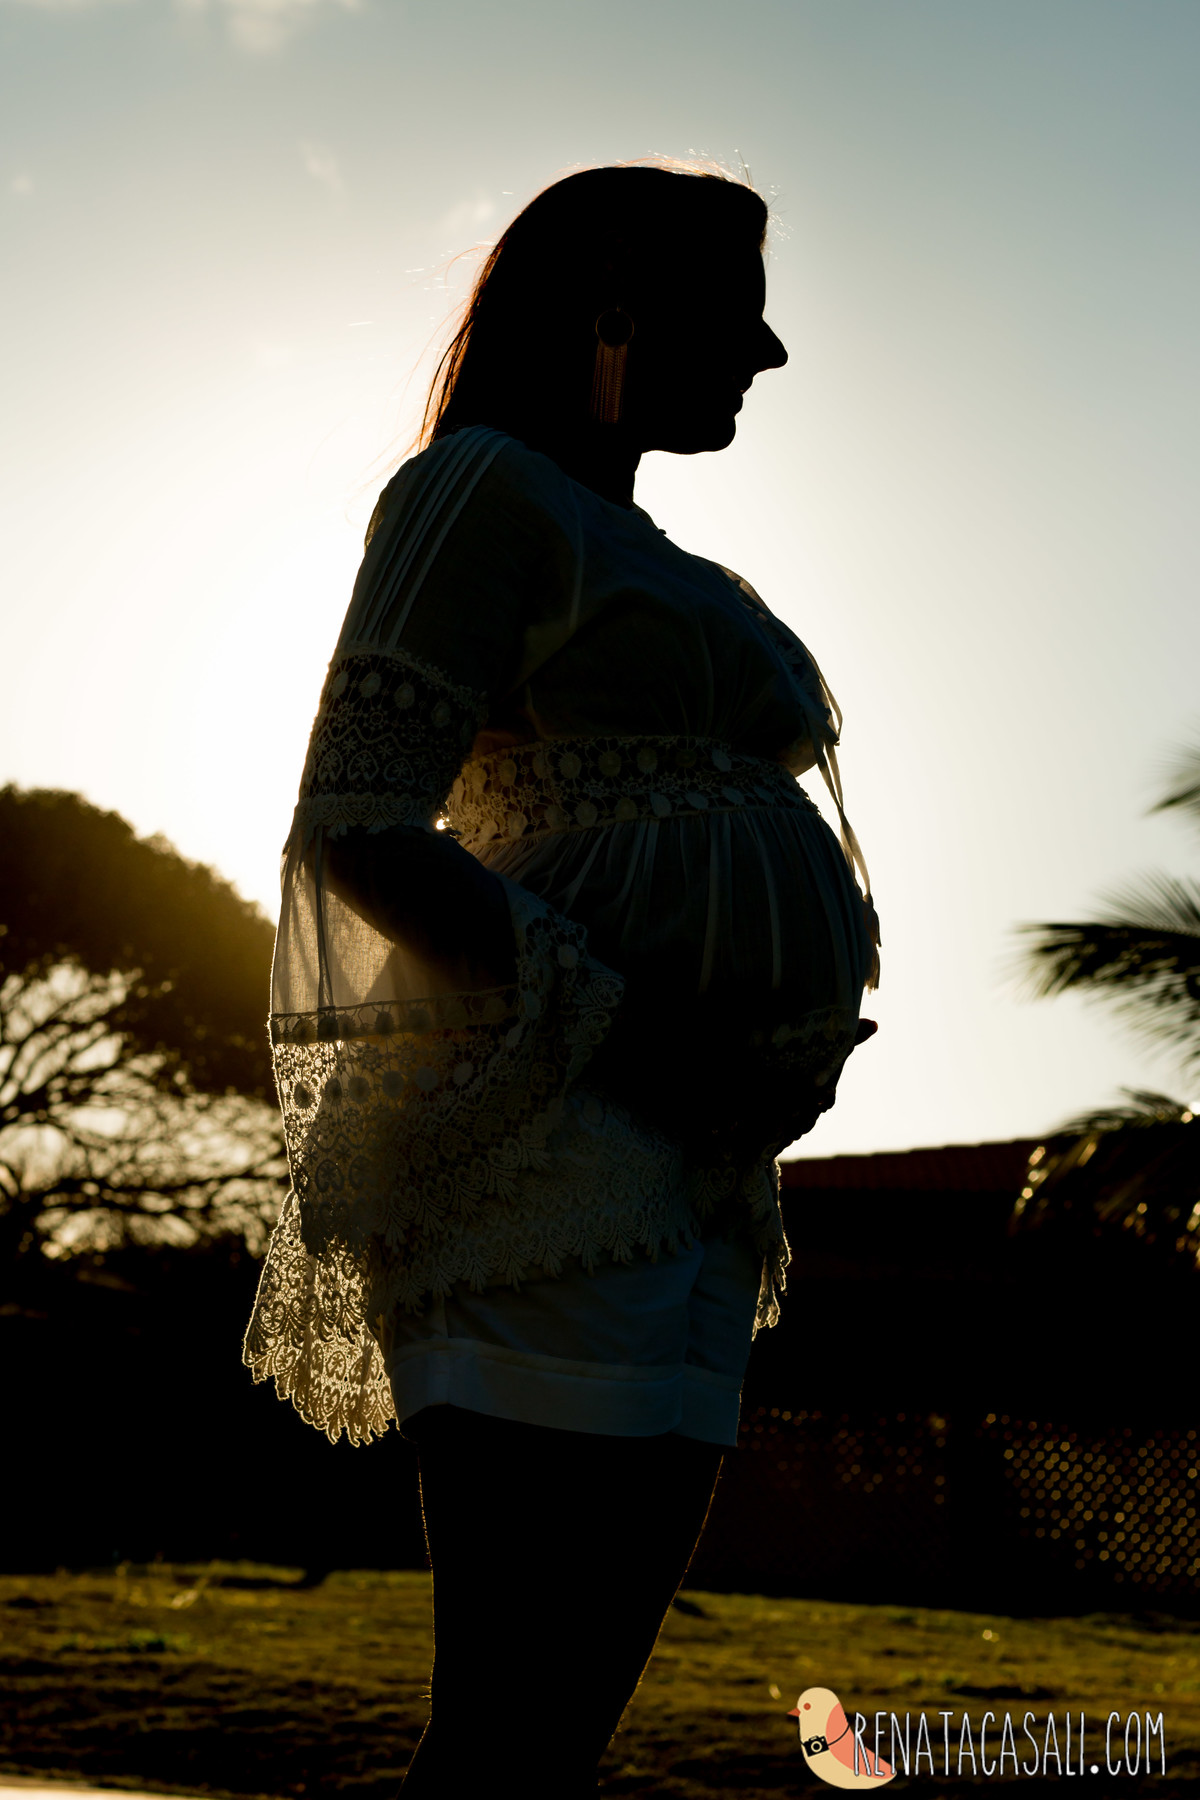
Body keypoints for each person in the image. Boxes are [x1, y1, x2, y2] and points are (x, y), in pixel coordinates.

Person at [243, 159, 879, 1797]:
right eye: (737, 311)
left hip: (704, 1186)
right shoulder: (482, 491)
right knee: (504, 1741)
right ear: (615, 306)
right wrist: (639, 1033)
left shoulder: (675, 566)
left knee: (555, 1751)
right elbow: (357, 825)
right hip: (548, 1154)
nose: (769, 352)